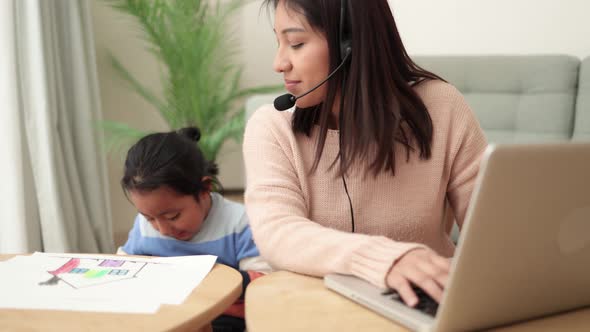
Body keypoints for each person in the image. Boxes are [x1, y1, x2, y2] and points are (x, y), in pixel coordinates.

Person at [242, 0, 488, 308]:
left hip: (425, 305)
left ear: (351, 43)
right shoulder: (272, 128)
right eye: (279, 42)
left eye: (296, 43)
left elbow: (492, 233)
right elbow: (277, 232)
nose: (279, 63)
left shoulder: (442, 107)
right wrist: (388, 259)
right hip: (315, 310)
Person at [119, 127, 269, 332]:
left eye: (173, 216)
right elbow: (124, 267)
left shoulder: (239, 222)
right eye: (149, 217)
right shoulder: (144, 228)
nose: (162, 229)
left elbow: (263, 283)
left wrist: (203, 280)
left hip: (222, 316)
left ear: (205, 189)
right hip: (164, 313)